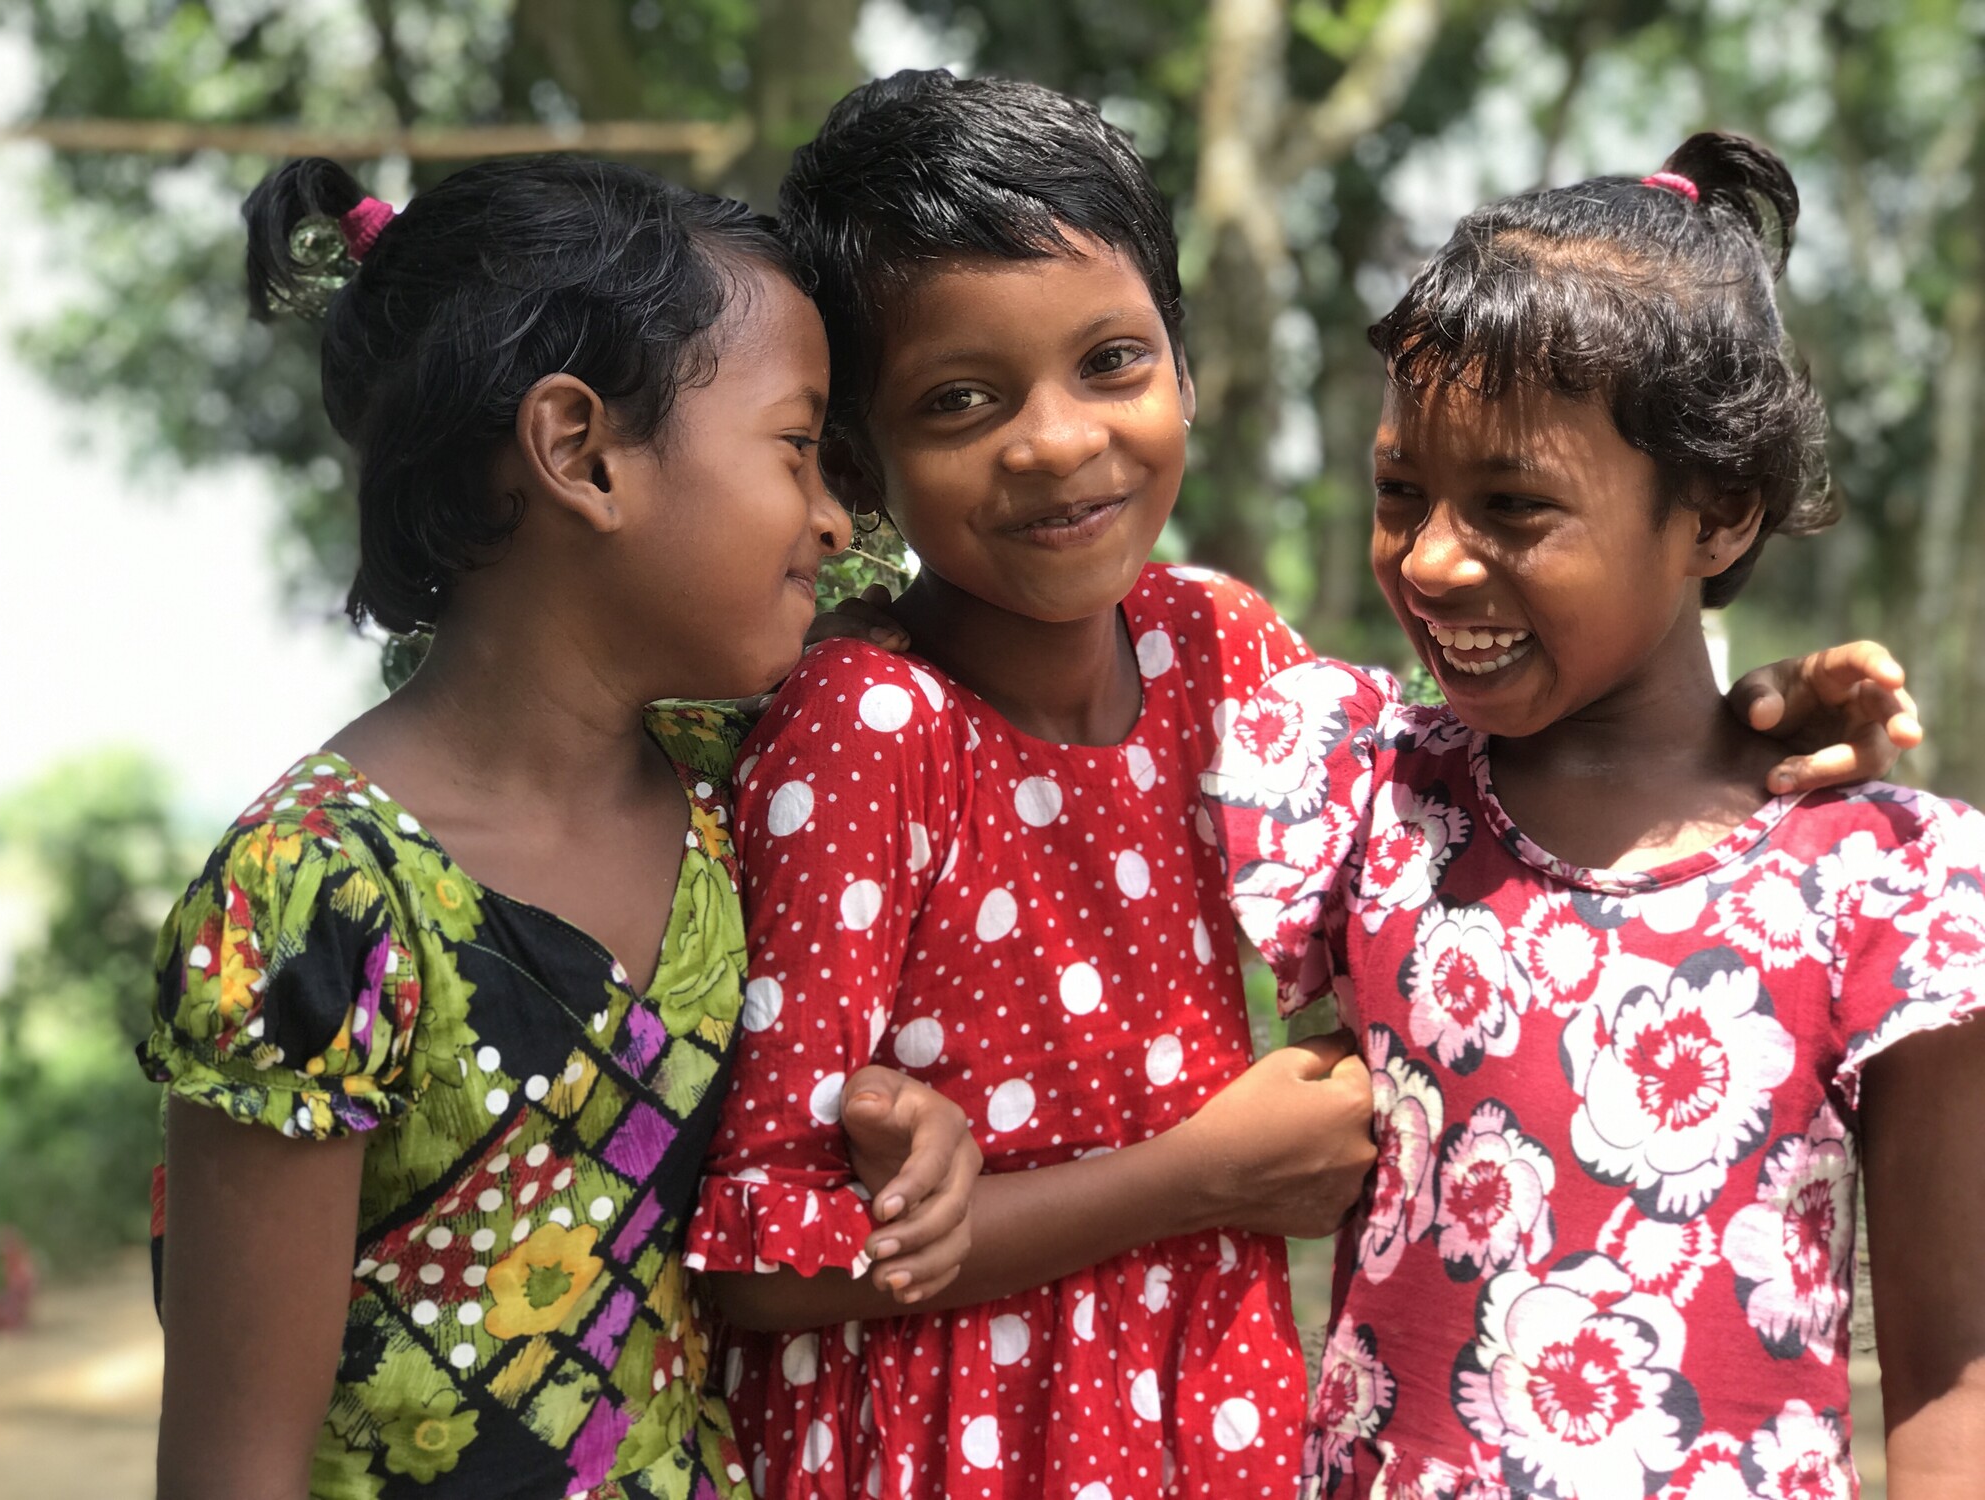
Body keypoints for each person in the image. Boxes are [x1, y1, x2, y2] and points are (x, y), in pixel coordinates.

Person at [684, 73, 1921, 1500]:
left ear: (1185, 367)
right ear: (859, 455)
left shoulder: (1220, 652)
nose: (1057, 440)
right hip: (954, 1455)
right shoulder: (868, 725)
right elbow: (759, 1260)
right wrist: (1197, 1177)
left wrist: (1739, 732)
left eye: (1110, 362)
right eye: (960, 400)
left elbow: (1501, 770)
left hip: (1212, 1438)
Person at [141, 154, 977, 1500]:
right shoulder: (315, 896)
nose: (834, 515)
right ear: (581, 451)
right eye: (798, 445)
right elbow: (233, 1469)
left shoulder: (748, 793)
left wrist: (920, 1134)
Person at [1202, 134, 1984, 1499]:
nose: (1435, 557)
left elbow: (1952, 1367)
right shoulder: (1373, 802)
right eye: (1401, 492)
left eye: (1515, 506)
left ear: (1720, 512)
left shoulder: (1878, 884)